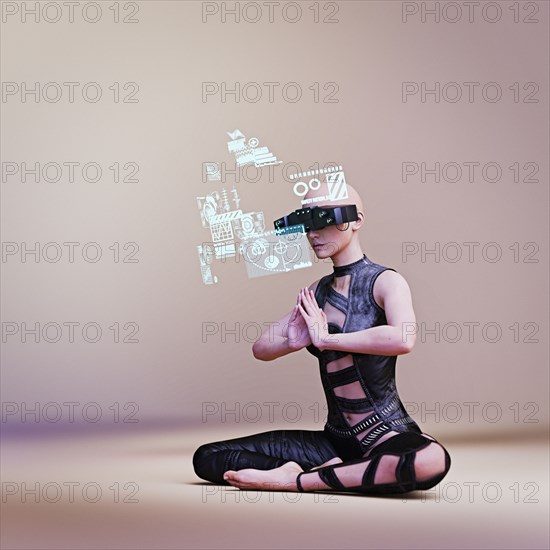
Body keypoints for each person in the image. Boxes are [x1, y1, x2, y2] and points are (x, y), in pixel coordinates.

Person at [193, 182, 451, 494]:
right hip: (334, 440)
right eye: (307, 225)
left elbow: (402, 338)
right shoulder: (317, 292)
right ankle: (323, 473)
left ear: (355, 221)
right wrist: (291, 342)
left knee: (429, 460)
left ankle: (296, 481)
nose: (313, 235)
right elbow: (260, 348)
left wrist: (327, 340)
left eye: (323, 223)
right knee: (207, 457)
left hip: (385, 434)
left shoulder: (386, 282)